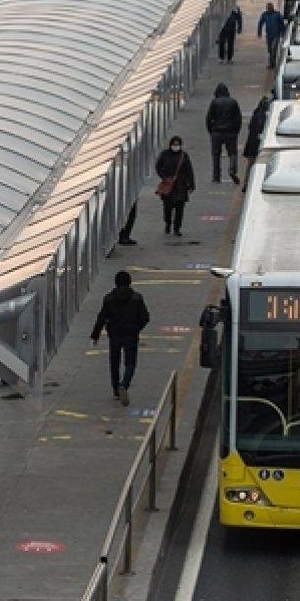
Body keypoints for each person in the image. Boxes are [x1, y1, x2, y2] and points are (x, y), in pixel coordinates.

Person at [90, 270, 150, 406]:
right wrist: (136, 328)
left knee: (114, 362)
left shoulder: (109, 299)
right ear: (129, 282)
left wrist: (95, 335)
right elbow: (145, 318)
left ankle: (116, 390)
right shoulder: (137, 298)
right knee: (130, 363)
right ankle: (125, 384)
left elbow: (101, 317)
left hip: (115, 335)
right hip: (131, 335)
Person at [154, 135, 195, 237]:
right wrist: (164, 177)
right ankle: (168, 223)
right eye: (174, 144)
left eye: (177, 144)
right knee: (167, 207)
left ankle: (177, 228)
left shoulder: (184, 156)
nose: (176, 146)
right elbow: (158, 166)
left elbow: (189, 170)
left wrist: (191, 184)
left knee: (180, 208)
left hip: (181, 186)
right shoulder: (165, 154)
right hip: (168, 185)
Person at [205, 83, 242, 184]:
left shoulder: (214, 102)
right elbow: (238, 118)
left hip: (217, 132)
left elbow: (208, 118)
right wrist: (236, 131)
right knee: (233, 153)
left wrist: (211, 131)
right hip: (230, 131)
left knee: (216, 155)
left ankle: (216, 176)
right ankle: (232, 169)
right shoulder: (233, 102)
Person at [241, 95, 271, 192]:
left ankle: (246, 184)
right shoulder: (267, 116)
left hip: (252, 145)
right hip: (260, 145)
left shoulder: (256, 113)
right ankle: (253, 184)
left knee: (251, 165)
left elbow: (250, 127)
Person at [257, 2, 286, 69]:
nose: (269, 9)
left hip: (276, 35)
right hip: (269, 35)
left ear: (272, 8)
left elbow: (282, 23)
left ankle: (272, 64)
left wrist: (283, 32)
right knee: (270, 50)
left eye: (270, 8)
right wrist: (259, 32)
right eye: (268, 8)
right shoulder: (264, 14)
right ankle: (272, 62)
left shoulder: (277, 14)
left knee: (274, 49)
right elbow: (260, 23)